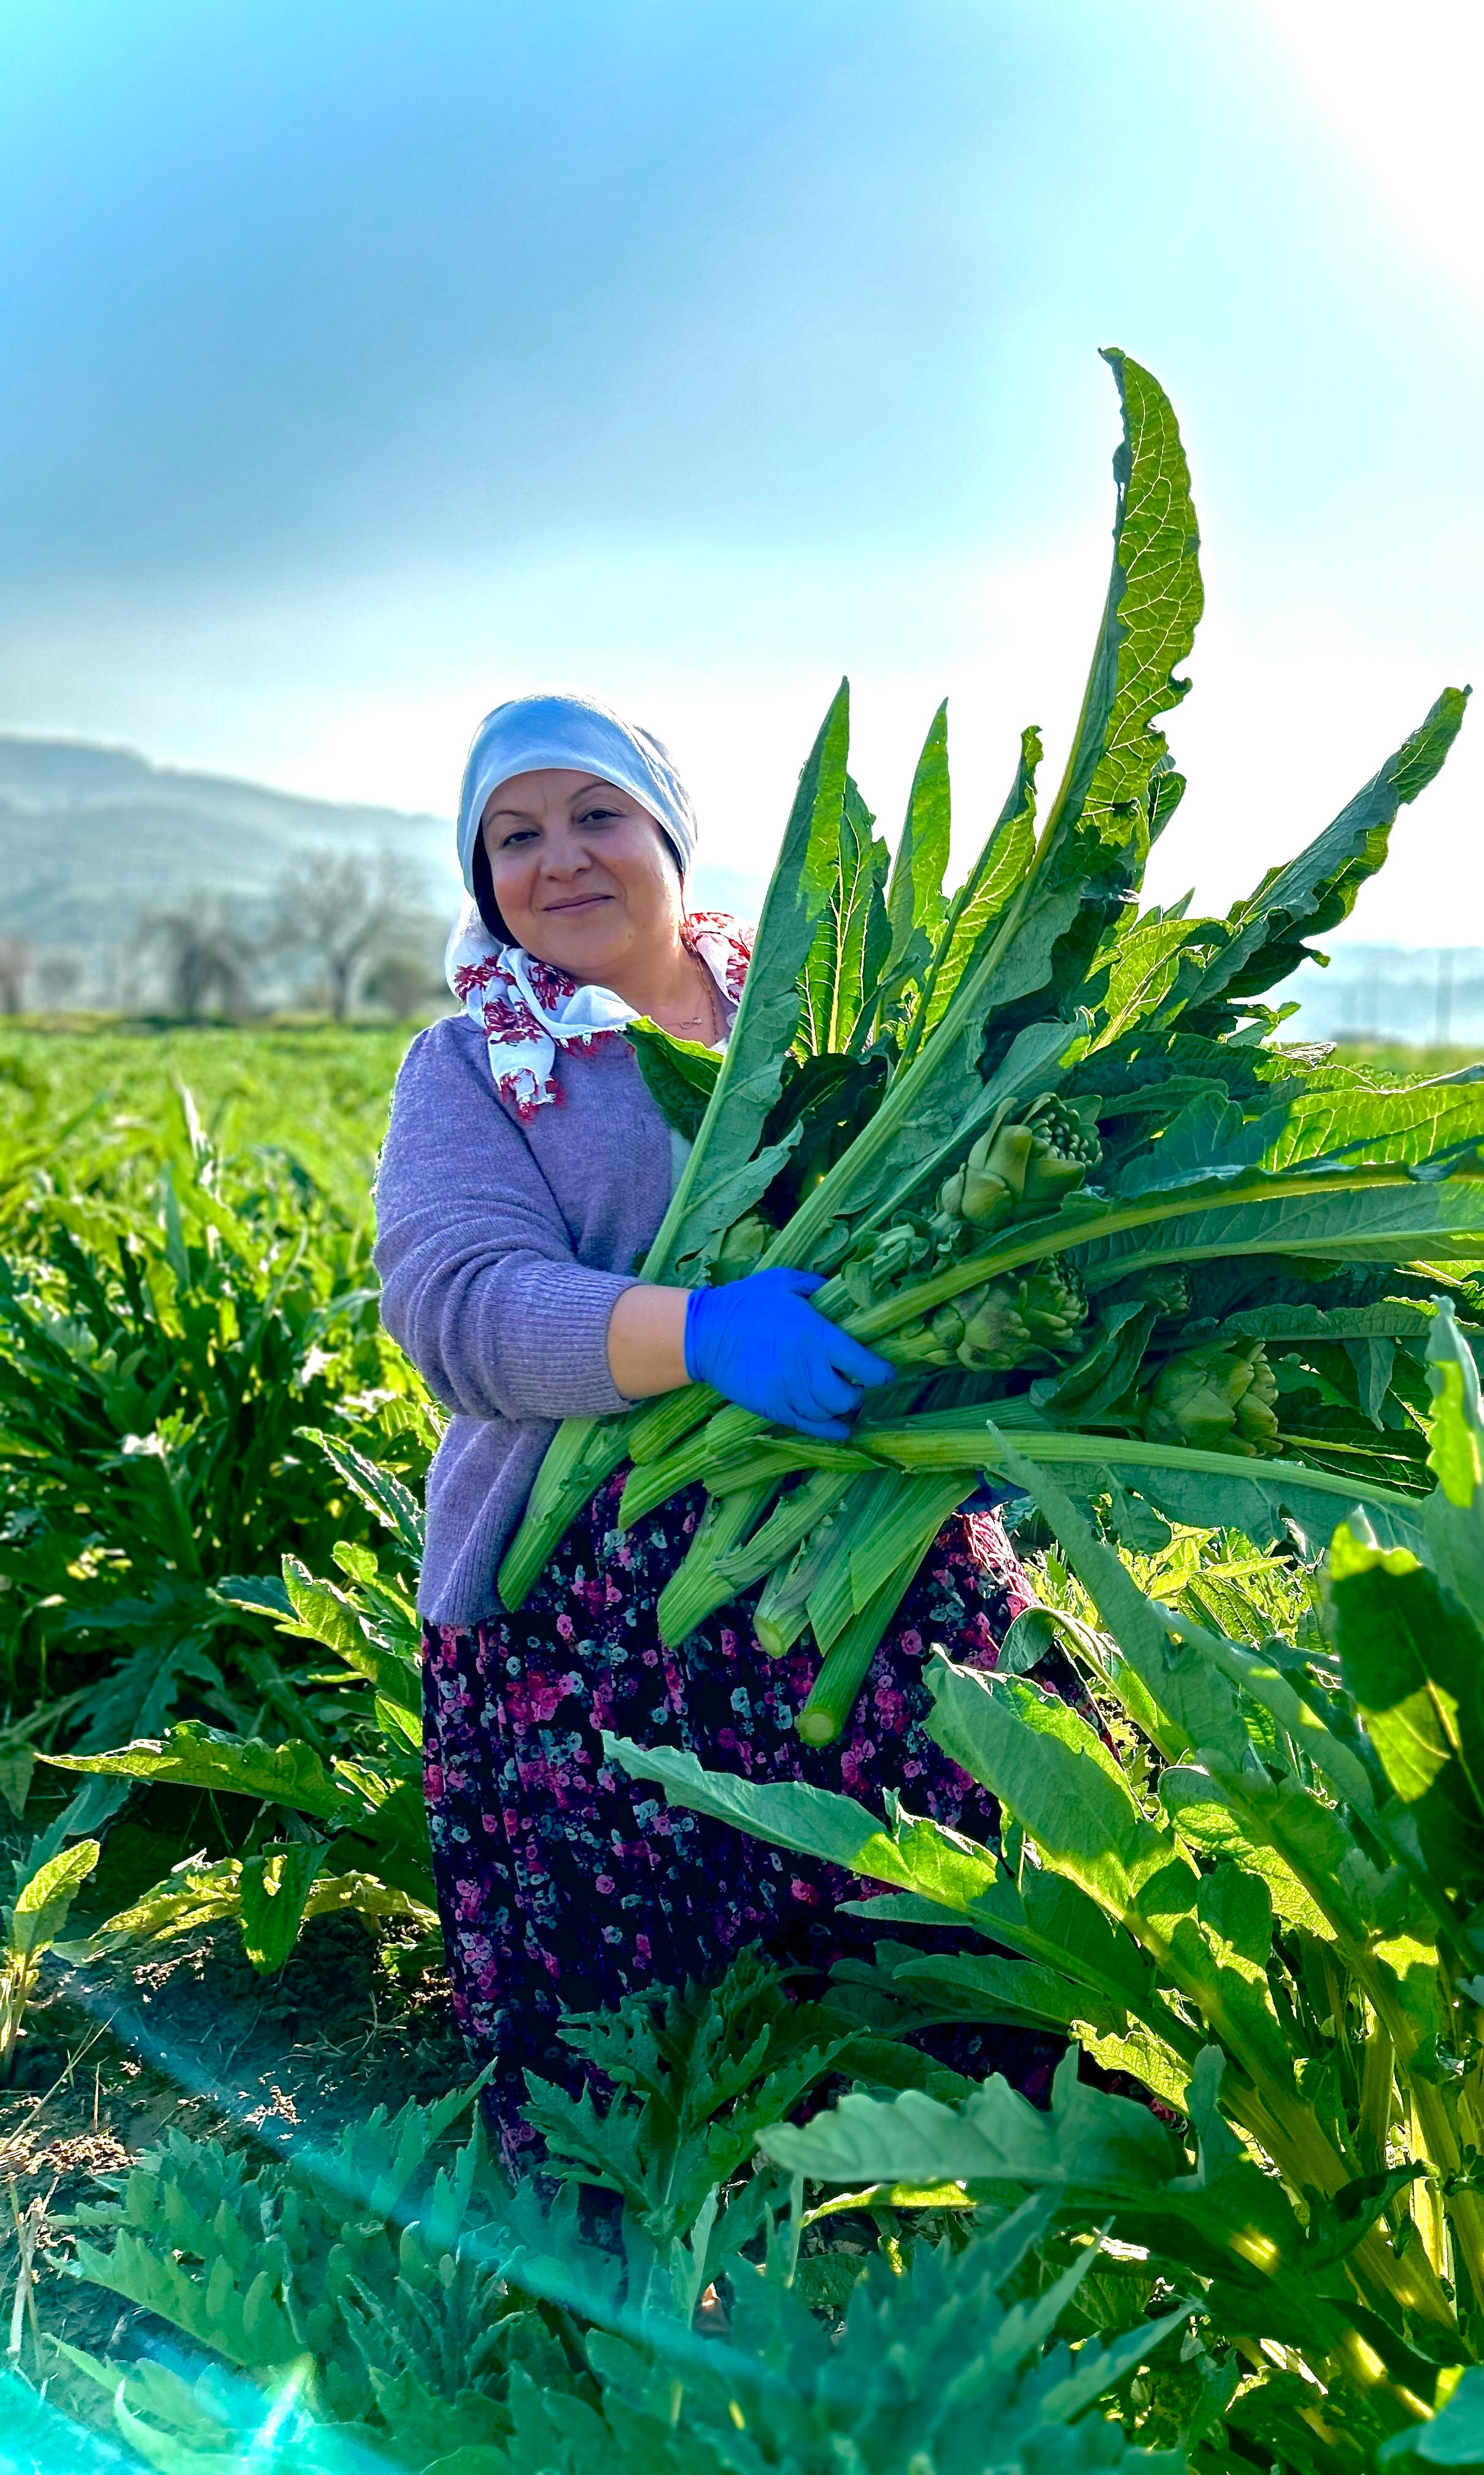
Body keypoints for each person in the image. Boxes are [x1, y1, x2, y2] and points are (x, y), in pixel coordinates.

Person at [374, 693, 1040, 2169]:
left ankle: (964, 2203)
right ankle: (647, 2277)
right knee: (636, 2063)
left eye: (597, 816)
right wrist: (706, 1333)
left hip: (867, 1547)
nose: (561, 861)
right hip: (587, 1610)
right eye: (515, 836)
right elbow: (459, 1309)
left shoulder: (837, 1031)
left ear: (669, 837)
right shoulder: (479, 1064)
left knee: (972, 1941)